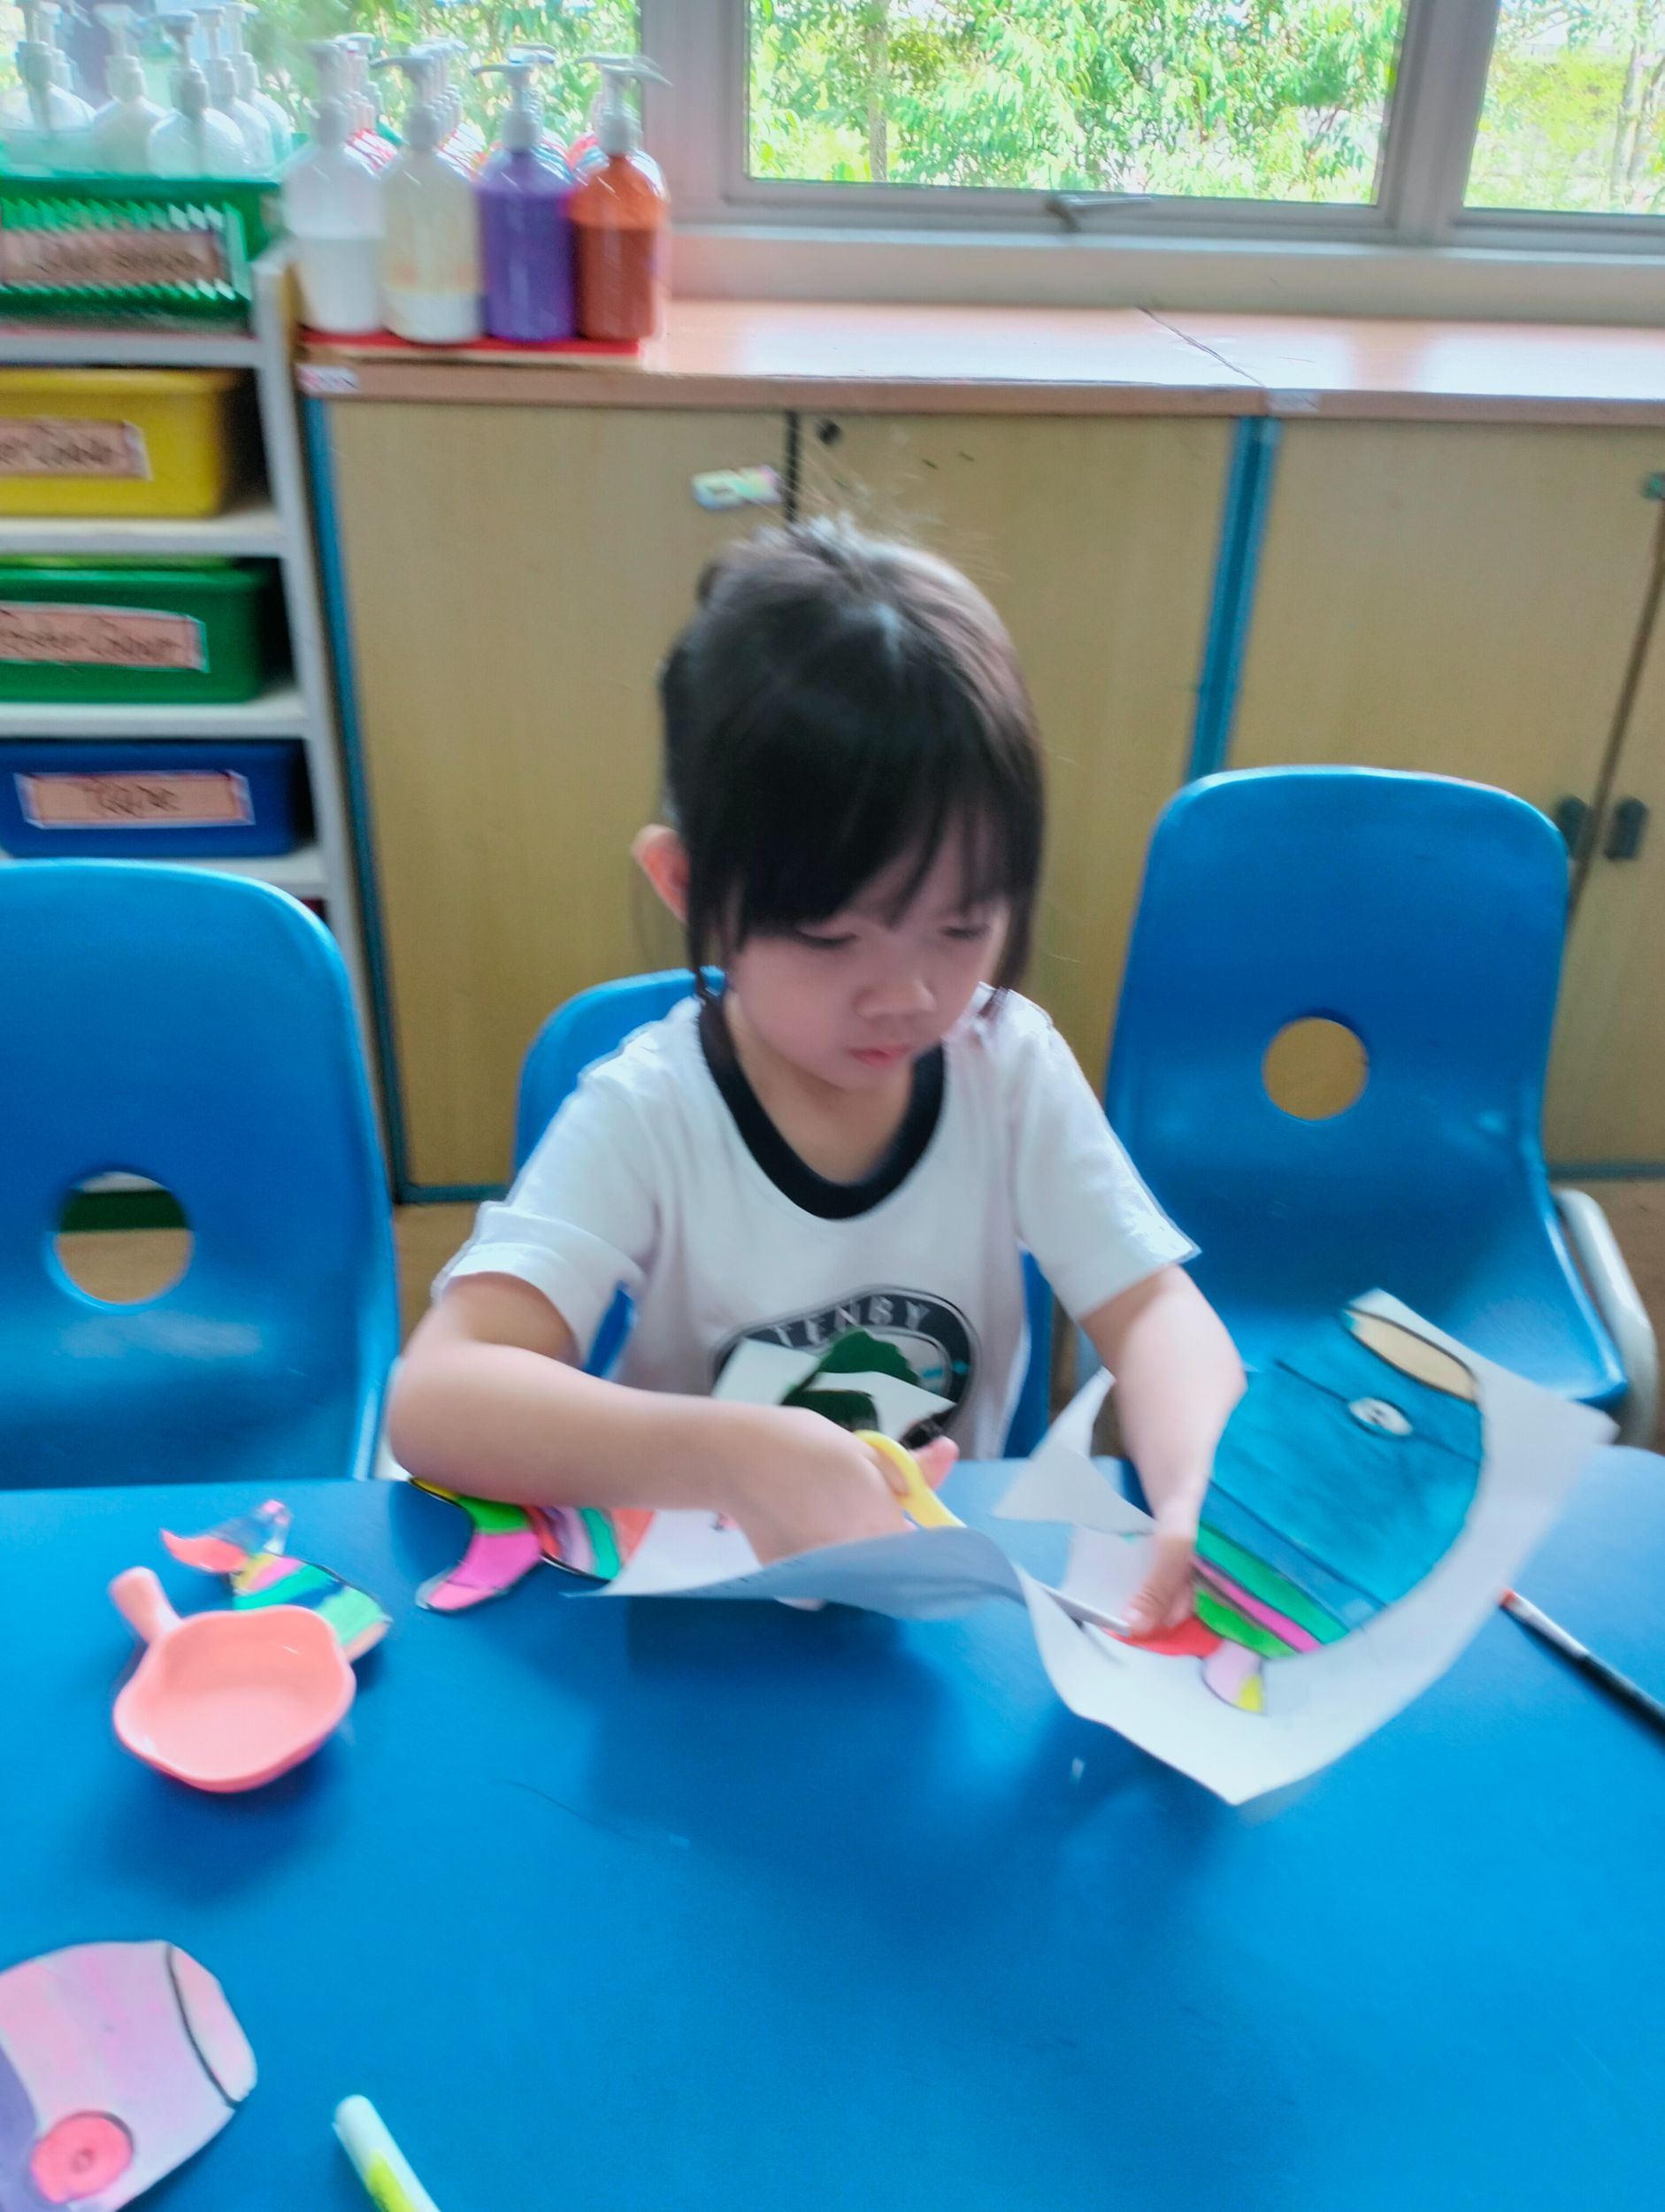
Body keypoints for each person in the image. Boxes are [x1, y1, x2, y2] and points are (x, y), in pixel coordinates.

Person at [389, 520, 1244, 1634]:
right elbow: (437, 1398)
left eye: (962, 925)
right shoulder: (651, 1109)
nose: (907, 994)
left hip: (934, 1617)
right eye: (834, 938)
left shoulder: (1008, 1067)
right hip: (705, 1612)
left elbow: (1152, 1307)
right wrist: (733, 1452)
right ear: (686, 883)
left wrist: (1197, 1492)